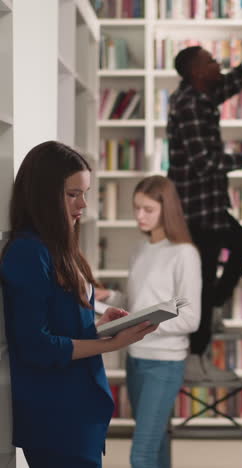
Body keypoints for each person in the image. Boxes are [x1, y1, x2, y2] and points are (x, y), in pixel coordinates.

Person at [0, 141, 157, 468]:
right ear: (43, 194)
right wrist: (110, 344)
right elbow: (36, 345)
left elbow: (59, 325)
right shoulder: (28, 252)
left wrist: (98, 328)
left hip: (77, 407)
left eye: (85, 193)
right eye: (73, 194)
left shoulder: (58, 246)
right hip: (56, 413)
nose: (83, 204)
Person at [166, 45, 242, 382]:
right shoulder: (190, 105)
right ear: (196, 72)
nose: (217, 63)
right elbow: (204, 163)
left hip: (209, 206)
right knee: (204, 283)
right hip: (197, 210)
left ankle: (216, 309)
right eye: (210, 61)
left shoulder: (202, 95)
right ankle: (195, 357)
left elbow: (236, 79)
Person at [96, 175, 201, 468]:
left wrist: (141, 325)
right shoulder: (139, 251)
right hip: (136, 359)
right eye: (136, 208)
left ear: (166, 209)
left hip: (164, 364)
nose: (139, 216)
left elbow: (191, 318)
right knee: (156, 446)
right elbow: (136, 303)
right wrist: (109, 296)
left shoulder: (185, 254)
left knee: (141, 455)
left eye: (148, 209)